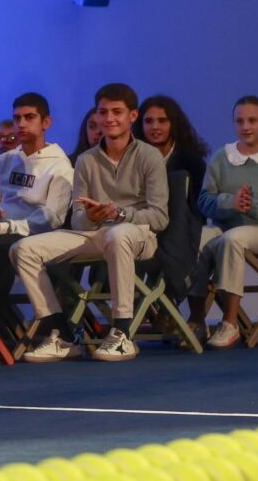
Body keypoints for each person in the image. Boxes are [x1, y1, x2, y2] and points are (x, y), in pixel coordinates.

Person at [14, 83, 169, 362]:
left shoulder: (150, 156)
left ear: (133, 116)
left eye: (117, 112)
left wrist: (119, 214)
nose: (109, 118)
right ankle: (61, 334)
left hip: (138, 235)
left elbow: (159, 217)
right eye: (103, 112)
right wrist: (91, 216)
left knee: (119, 235)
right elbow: (78, 220)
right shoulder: (86, 160)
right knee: (23, 249)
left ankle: (122, 334)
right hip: (97, 233)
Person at [193, 96, 258, 349]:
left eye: (252, 120)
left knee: (234, 239)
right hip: (225, 227)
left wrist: (253, 205)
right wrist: (231, 202)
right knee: (197, 238)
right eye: (240, 121)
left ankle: (230, 323)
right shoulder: (222, 156)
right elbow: (204, 201)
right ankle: (197, 320)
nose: (246, 126)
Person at [0, 92, 72, 346]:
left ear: (46, 123)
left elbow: (52, 218)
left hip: (33, 237)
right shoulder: (4, 160)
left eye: (29, 117)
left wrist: (5, 227)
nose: (21, 124)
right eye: (17, 118)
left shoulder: (60, 165)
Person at [136, 93, 210, 329]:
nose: (155, 127)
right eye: (149, 121)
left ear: (174, 124)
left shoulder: (192, 161)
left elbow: (197, 208)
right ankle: (155, 310)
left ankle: (193, 318)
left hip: (185, 226)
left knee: (191, 246)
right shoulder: (134, 158)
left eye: (162, 120)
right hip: (145, 226)